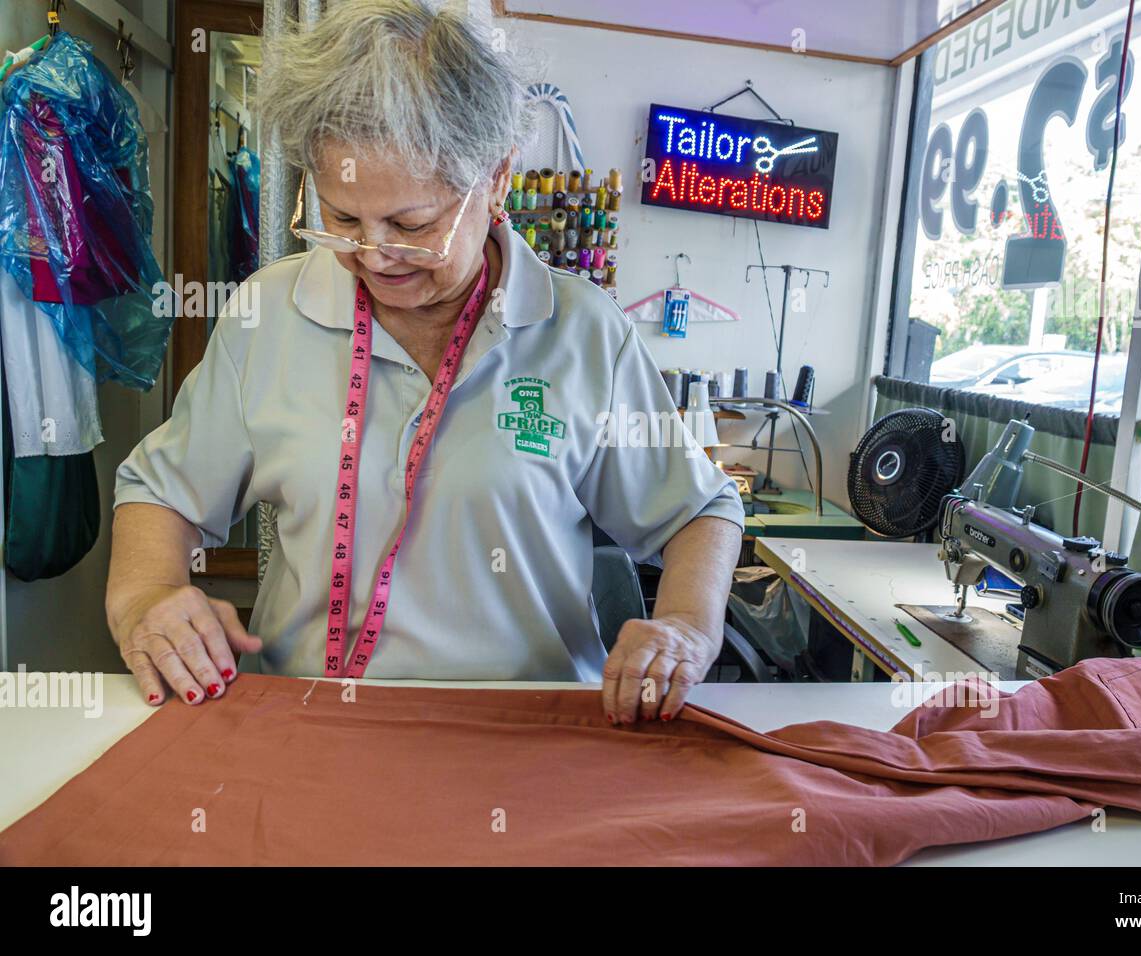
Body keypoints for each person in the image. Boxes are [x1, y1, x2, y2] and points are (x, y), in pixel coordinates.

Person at [105, 0, 743, 724]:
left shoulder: (581, 331)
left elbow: (699, 509)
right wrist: (150, 599)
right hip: (312, 730)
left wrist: (687, 627)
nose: (373, 257)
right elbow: (161, 493)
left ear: (497, 179)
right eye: (343, 219)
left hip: (529, 742)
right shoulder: (270, 315)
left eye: (413, 226)